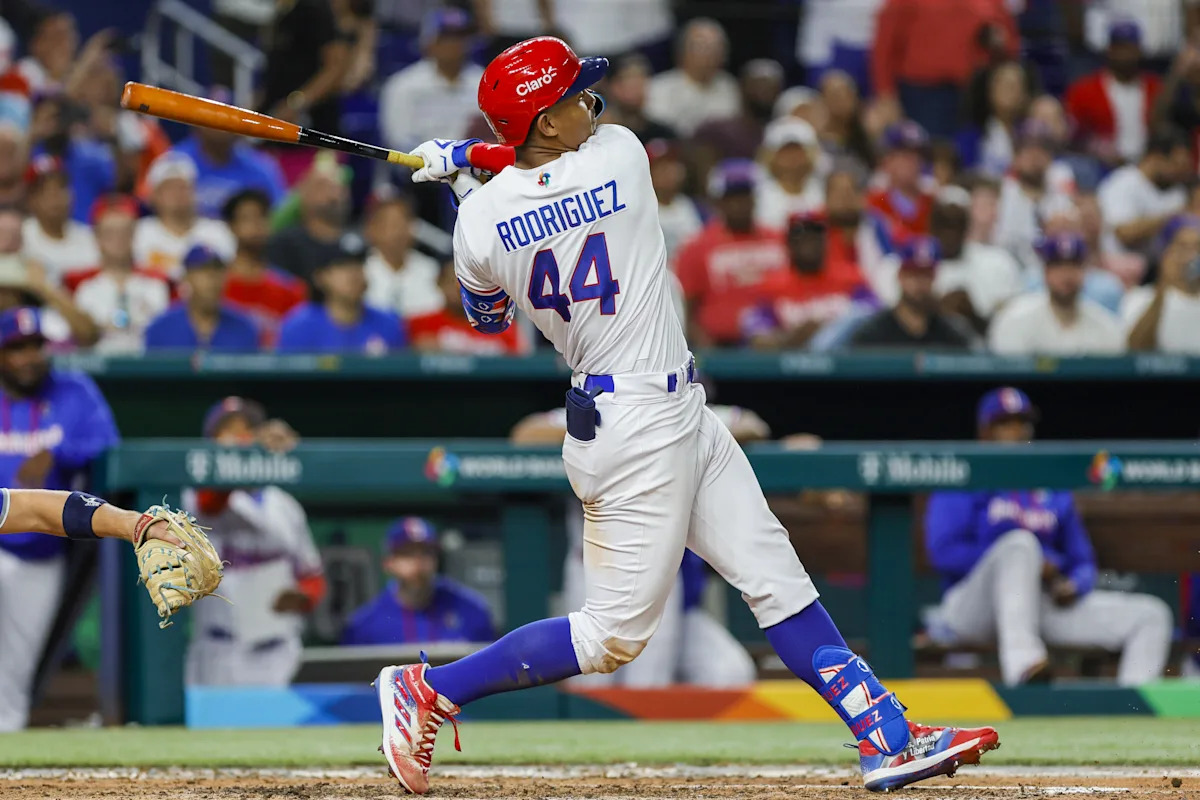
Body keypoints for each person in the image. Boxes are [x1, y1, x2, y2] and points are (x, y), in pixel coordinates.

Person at [394, 36, 999, 795]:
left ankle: (885, 734)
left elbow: (488, 314)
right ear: (544, 122)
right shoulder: (620, 155)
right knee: (612, 636)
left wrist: (464, 188)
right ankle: (431, 689)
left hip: (674, 409)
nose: (592, 104)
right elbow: (540, 174)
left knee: (774, 576)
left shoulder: (480, 227)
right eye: (575, 97)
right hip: (634, 427)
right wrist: (474, 162)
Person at [924, 387, 1173, 686]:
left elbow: (1082, 560)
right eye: (1005, 423)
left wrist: (1074, 584)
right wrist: (1028, 560)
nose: (1016, 431)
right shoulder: (966, 475)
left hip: (1040, 604)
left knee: (1151, 616)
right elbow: (944, 552)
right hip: (974, 608)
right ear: (985, 431)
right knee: (1020, 545)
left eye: (1022, 422)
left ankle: (1130, 708)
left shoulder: (1051, 486)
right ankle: (1025, 667)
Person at [510, 404, 762, 689]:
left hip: (660, 568)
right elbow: (526, 433)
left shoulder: (685, 407)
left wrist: (668, 430)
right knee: (591, 682)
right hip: (594, 569)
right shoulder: (595, 404)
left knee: (649, 683)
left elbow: (752, 425)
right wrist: (614, 433)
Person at [0, 306, 119, 731]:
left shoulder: (74, 390)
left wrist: (59, 453)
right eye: (17, 348)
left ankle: (8, 745)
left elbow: (108, 446)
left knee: (18, 665)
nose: (29, 357)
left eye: (36, 346)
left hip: (42, 548)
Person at [184, 397, 324, 686]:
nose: (238, 438)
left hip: (278, 652)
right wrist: (241, 457)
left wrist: (302, 596)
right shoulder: (195, 496)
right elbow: (210, 502)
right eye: (227, 433)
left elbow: (312, 575)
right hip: (218, 651)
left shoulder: (285, 505)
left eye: (246, 430)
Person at [675, 159, 788, 346]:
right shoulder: (696, 247)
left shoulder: (779, 240)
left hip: (780, 343)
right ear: (718, 202)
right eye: (732, 197)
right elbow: (687, 310)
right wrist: (709, 355)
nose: (739, 204)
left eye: (745, 196)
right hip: (721, 346)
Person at [870, 0, 1018, 138]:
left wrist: (1001, 40)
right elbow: (885, 45)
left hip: (978, 92)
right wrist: (885, 93)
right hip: (924, 93)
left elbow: (1009, 39)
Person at [341, 517, 495, 646]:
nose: (418, 562)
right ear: (388, 563)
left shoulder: (471, 609)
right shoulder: (364, 624)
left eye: (426, 552)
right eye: (407, 553)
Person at [742, 212, 875, 350]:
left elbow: (873, 317)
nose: (808, 243)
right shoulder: (771, 285)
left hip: (842, 358)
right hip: (789, 358)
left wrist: (828, 330)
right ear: (789, 243)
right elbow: (757, 336)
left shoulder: (851, 277)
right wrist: (792, 337)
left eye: (814, 237)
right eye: (801, 237)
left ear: (826, 242)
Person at [988, 232, 1125, 355]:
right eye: (1058, 266)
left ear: (1084, 272)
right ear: (1046, 273)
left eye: (1074, 266)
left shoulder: (1106, 327)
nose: (1066, 275)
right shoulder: (1015, 320)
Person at [276, 233, 407, 354]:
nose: (354, 274)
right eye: (342, 266)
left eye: (359, 264)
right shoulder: (299, 328)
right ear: (320, 277)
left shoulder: (389, 324)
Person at [73, 195, 170, 354]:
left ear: (134, 235)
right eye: (110, 233)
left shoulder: (156, 286)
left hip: (146, 365)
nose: (118, 240)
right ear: (97, 237)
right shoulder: (84, 289)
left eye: (125, 232)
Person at [379, 8, 484, 154]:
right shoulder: (404, 84)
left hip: (474, 163)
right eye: (446, 37)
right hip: (419, 163)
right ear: (429, 42)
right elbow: (399, 140)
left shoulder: (484, 82)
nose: (454, 44)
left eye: (460, 36)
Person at [849, 236, 976, 350]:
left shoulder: (951, 333)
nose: (920, 282)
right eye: (913, 274)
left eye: (926, 275)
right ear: (900, 276)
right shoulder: (873, 333)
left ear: (934, 277)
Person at [1066, 21, 1162, 167]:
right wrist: (1098, 150)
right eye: (1119, 47)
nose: (1124, 54)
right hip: (1101, 166)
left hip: (1147, 165)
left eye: (1129, 47)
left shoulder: (1155, 87)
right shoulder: (1084, 90)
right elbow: (1073, 137)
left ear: (1139, 50)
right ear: (1109, 50)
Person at [220, 189, 307, 346]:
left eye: (262, 217)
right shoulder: (216, 286)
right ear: (231, 226)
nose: (256, 225)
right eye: (247, 218)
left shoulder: (290, 290)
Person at [170, 101, 287, 219]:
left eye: (228, 118)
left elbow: (277, 215)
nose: (221, 126)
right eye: (213, 117)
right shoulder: (175, 161)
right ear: (196, 123)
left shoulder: (261, 166)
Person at [929, 186, 1023, 331]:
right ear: (932, 226)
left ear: (967, 225)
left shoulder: (998, 262)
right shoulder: (915, 267)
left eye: (957, 224)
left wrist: (973, 316)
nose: (950, 233)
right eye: (944, 223)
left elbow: (1013, 323)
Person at [133, 151, 236, 281]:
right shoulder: (139, 233)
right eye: (169, 188)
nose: (177, 194)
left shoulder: (217, 232)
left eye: (183, 187)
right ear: (154, 195)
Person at [992, 120, 1075, 275]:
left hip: (1050, 277)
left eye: (1042, 148)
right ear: (1016, 156)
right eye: (1028, 149)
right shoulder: (1001, 194)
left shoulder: (1061, 197)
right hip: (1007, 274)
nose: (1035, 156)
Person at [143, 244, 260, 352]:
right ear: (187, 277)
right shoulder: (161, 329)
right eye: (204, 271)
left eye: (218, 271)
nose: (213, 279)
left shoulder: (244, 328)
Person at [1097, 128, 1190, 258]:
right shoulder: (1123, 182)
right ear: (1155, 158)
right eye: (1175, 164)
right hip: (1117, 261)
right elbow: (1124, 233)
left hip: (1154, 264)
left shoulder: (1177, 192)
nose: (1179, 171)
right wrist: (1171, 218)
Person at [691, 59, 784, 187]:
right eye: (758, 85)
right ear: (741, 87)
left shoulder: (784, 133)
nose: (764, 91)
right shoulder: (716, 131)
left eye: (771, 87)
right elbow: (705, 180)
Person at [645, 19, 740, 137]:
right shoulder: (659, 88)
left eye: (716, 48)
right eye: (701, 46)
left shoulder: (729, 86)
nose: (710, 54)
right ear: (682, 51)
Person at [408, 259, 526, 355]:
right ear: (439, 283)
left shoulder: (502, 325)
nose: (457, 290)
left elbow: (518, 364)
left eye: (465, 283)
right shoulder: (419, 324)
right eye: (451, 282)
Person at [266, 155, 350, 286]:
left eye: (339, 187)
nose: (334, 195)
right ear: (304, 195)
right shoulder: (284, 245)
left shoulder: (356, 244)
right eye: (323, 186)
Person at [1122, 215, 1200, 353]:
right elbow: (1134, 349)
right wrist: (1164, 287)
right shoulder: (1140, 298)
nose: (1191, 256)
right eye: (1183, 247)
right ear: (1165, 253)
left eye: (1197, 248)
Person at [363, 192, 442, 320]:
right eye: (391, 224)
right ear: (371, 229)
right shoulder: (361, 271)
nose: (398, 232)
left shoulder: (431, 269)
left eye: (404, 223)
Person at [20, 153, 97, 285]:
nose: (54, 197)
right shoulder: (21, 237)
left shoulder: (89, 237)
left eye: (60, 188)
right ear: (31, 200)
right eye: (44, 191)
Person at [866, 121, 935, 242]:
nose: (912, 161)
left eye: (917, 154)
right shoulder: (873, 204)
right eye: (904, 154)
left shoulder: (933, 203)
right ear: (887, 160)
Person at [754, 117, 825, 230]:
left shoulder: (824, 192)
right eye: (785, 151)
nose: (792, 158)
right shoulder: (758, 197)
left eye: (798, 150)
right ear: (770, 156)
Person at [597, 54, 677, 144]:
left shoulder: (662, 135)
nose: (636, 86)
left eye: (641, 78)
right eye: (628, 78)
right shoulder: (599, 134)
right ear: (611, 86)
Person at [646, 139, 701, 266]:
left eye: (673, 165)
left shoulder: (693, 207)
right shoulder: (643, 210)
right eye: (662, 167)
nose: (670, 172)